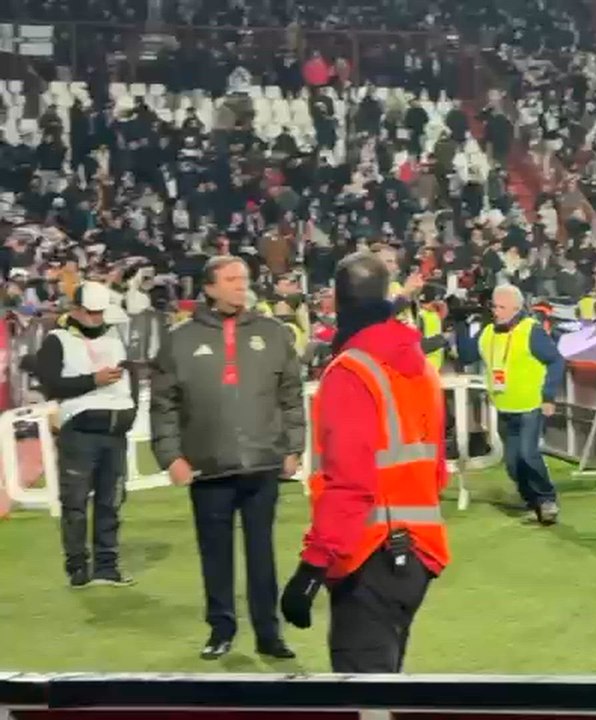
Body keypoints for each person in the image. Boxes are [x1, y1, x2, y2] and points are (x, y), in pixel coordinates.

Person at [281, 251, 450, 673]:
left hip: (369, 553)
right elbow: (436, 469)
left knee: (365, 697)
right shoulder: (420, 369)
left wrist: (312, 566)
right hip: (419, 550)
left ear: (337, 303)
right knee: (388, 688)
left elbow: (350, 483)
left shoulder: (350, 372)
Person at [150, 256, 306, 661]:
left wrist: (293, 447)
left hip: (262, 462)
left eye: (245, 279)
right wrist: (170, 457)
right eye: (232, 279)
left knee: (262, 555)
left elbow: (291, 395)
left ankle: (268, 633)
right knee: (214, 555)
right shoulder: (180, 340)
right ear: (209, 288)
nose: (241, 286)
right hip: (208, 466)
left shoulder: (273, 333)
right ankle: (221, 629)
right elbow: (163, 404)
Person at [34, 281, 137, 588]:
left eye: (99, 312)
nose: (96, 318)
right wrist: (94, 380)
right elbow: (51, 385)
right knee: (75, 502)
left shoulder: (114, 334)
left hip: (115, 429)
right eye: (90, 312)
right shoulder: (58, 340)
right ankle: (78, 567)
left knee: (111, 501)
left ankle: (107, 566)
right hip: (80, 431)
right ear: (76, 310)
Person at [456, 284, 565, 525]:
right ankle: (532, 501)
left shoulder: (531, 331)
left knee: (528, 455)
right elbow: (466, 356)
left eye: (502, 307)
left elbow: (556, 361)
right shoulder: (487, 332)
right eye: (494, 306)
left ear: (517, 308)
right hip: (504, 407)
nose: (496, 311)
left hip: (530, 406)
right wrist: (460, 324)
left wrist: (548, 396)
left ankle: (547, 499)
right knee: (513, 464)